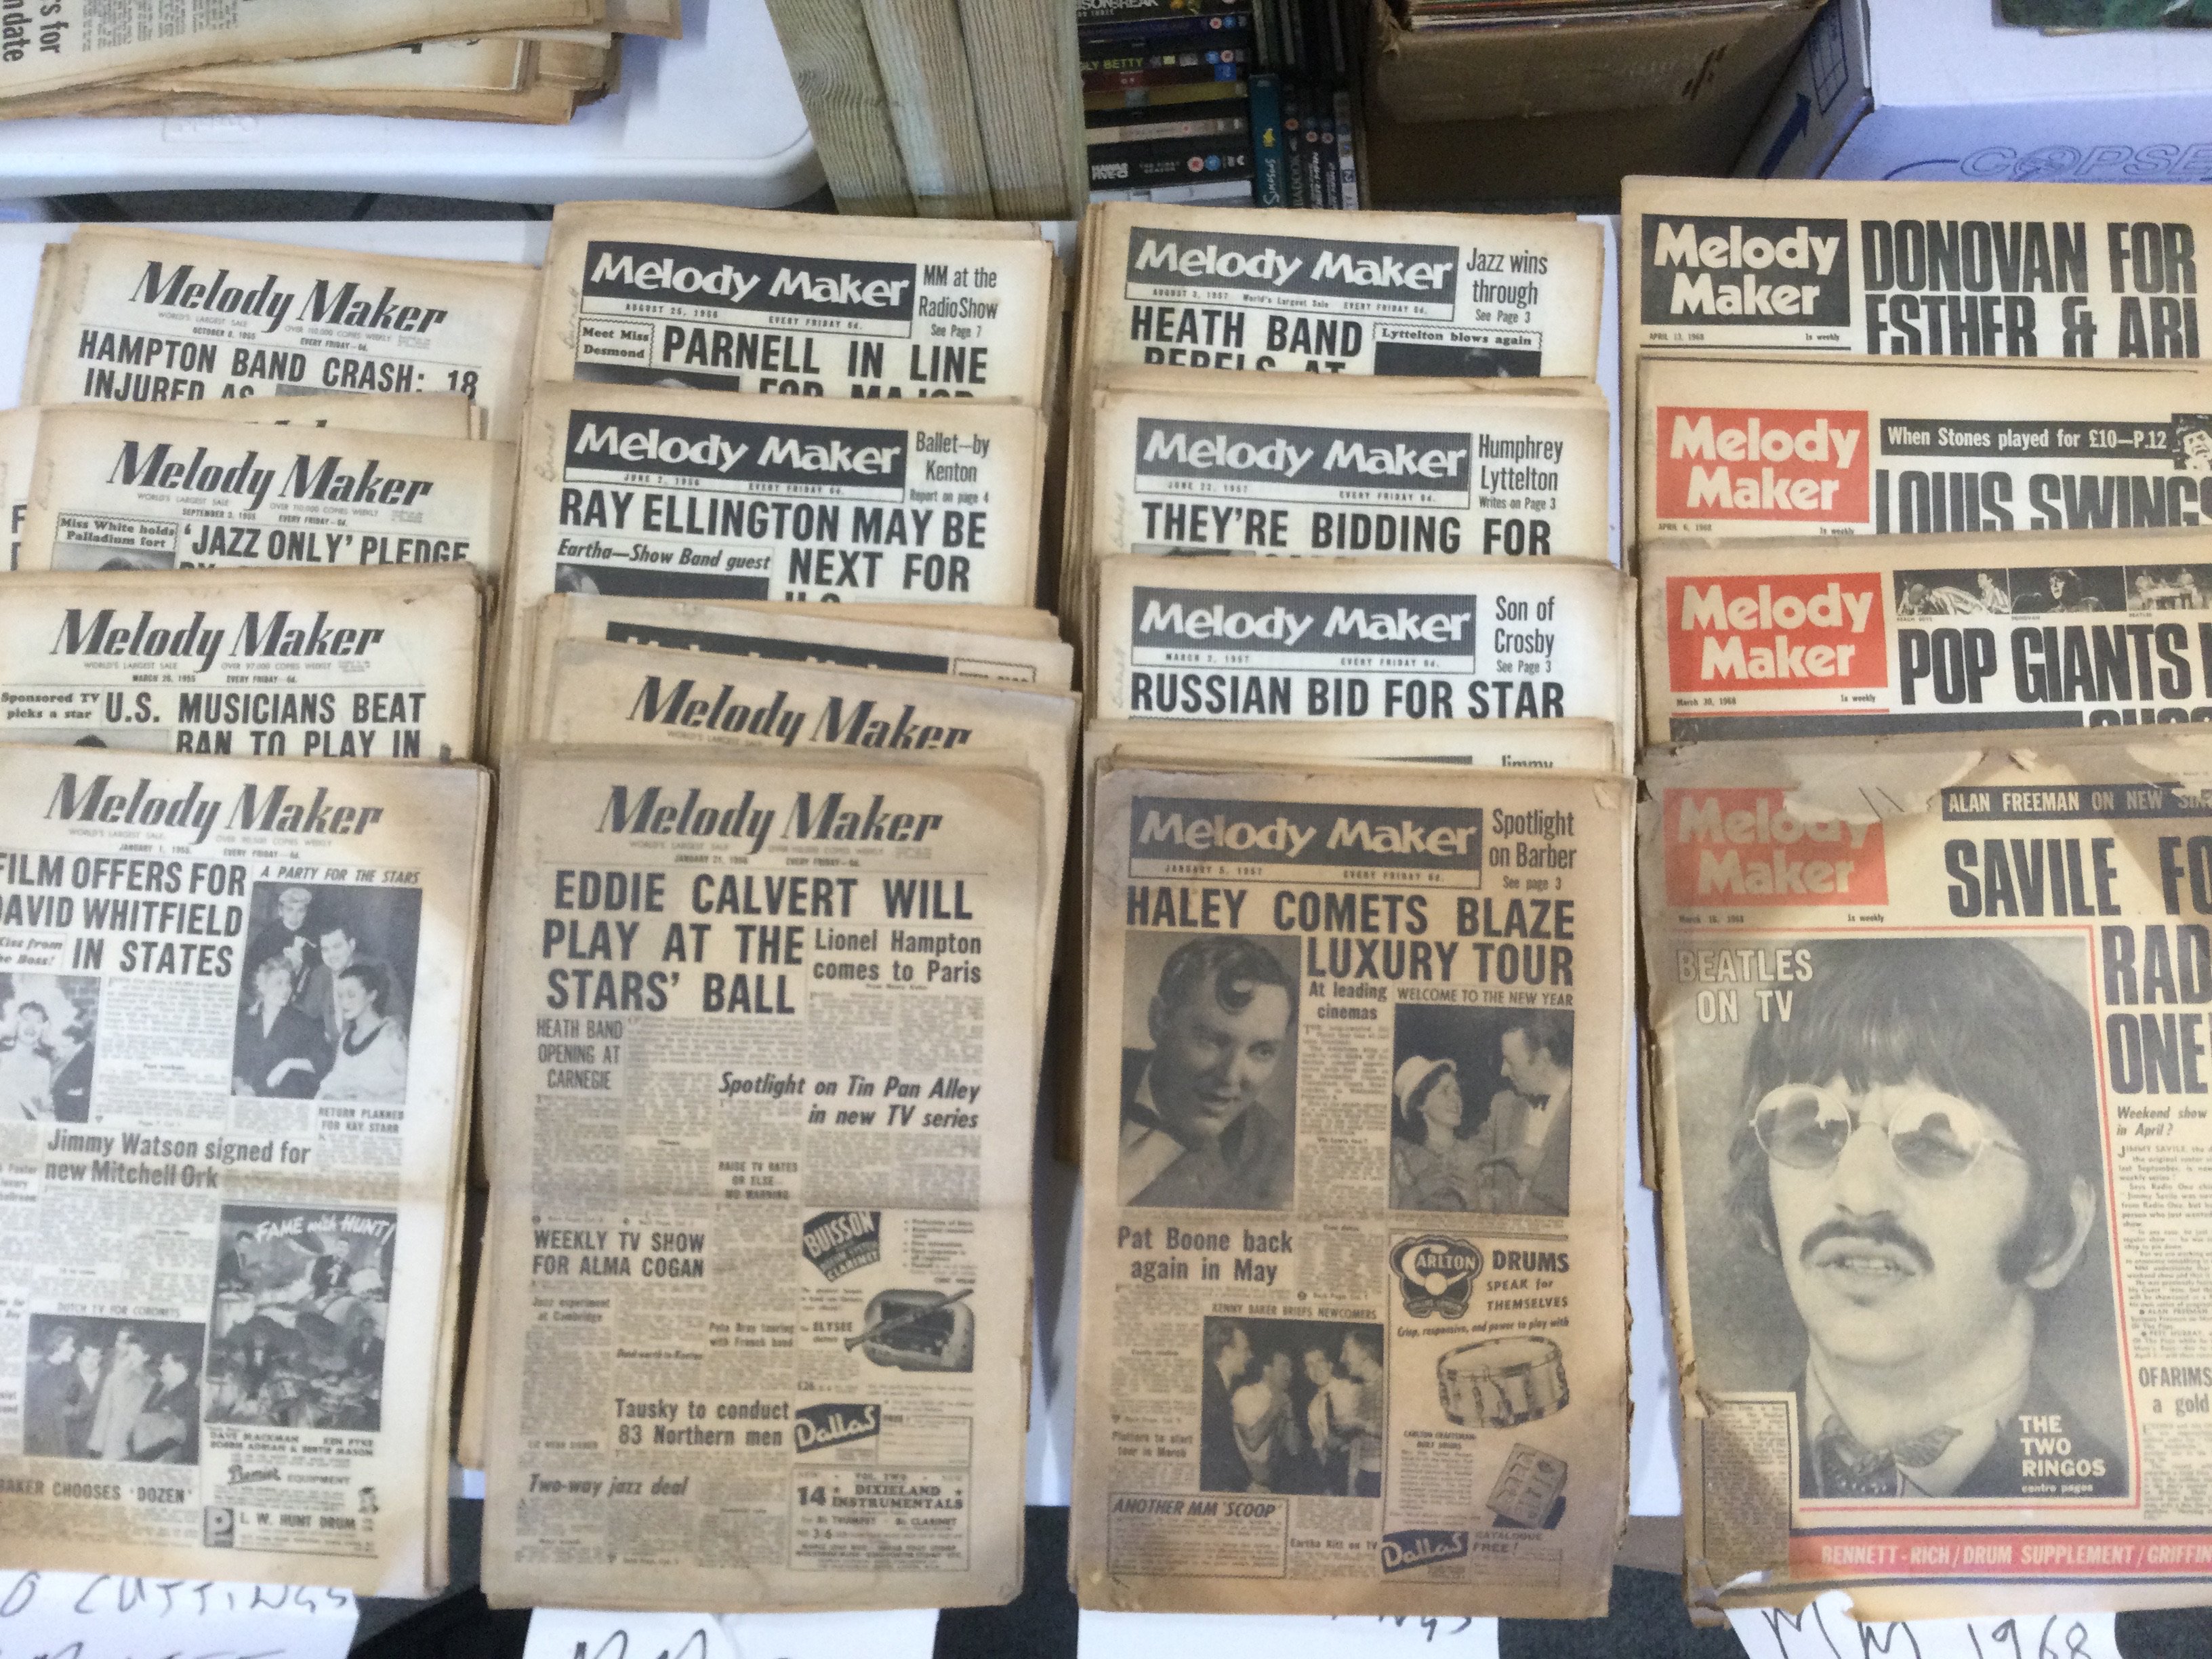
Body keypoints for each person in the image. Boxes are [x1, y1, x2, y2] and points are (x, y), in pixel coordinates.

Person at [1726, 939, 2125, 1500]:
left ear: (2055, 1236)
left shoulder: (2114, 1495)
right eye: (1813, 1132)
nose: (1860, 1196)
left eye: (1936, 1143)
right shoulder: (1707, 1471)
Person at [1119, 938, 1296, 1210]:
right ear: (1159, 1020)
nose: (1230, 1077)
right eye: (1213, 1040)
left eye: (1262, 1051)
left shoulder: (1276, 1161)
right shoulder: (1103, 1071)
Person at [1464, 1012, 1574, 1216]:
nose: (1503, 1071)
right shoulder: (1503, 1104)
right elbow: (1477, 1149)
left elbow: (1599, 1202)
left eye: (1510, 1062)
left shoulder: (1591, 1110)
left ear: (1542, 1060)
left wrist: (1541, 1170)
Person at [1389, 1055, 1481, 1210]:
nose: (1455, 1099)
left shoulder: (1477, 1155)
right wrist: (1418, 1192)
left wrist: (1473, 1200)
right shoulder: (1401, 1158)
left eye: (1457, 1092)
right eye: (1444, 1091)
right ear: (1420, 1103)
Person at [234, 955, 327, 1098]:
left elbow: (323, 1060)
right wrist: (239, 1088)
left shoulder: (302, 1022)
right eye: (279, 983)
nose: (286, 989)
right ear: (262, 986)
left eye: (288, 983)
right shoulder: (245, 1020)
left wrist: (288, 1064)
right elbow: (235, 1065)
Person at [316, 965, 409, 1103]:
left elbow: (409, 1092)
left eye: (351, 995)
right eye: (340, 996)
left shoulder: (391, 1036)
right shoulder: (345, 1039)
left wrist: (370, 1099)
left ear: (372, 995)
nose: (344, 1003)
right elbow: (333, 1081)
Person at [1231, 1350, 1303, 1492]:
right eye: (1284, 1367)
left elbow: (1294, 1449)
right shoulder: (1246, 1394)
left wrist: (1289, 1415)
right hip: (1249, 1486)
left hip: (1273, 1485)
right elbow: (1252, 1442)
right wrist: (1276, 1407)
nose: (1289, 1374)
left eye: (1291, 1369)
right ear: (1267, 1370)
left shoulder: (1284, 1400)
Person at [1200, 1323, 1254, 1492]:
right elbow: (1221, 1446)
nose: (1250, 1356)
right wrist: (1248, 1484)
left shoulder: (1218, 1386)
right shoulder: (1209, 1390)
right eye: (1245, 1350)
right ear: (1227, 1352)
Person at [87, 1327, 154, 1461]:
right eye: (130, 1353)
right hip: (114, 1439)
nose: (131, 1358)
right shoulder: (114, 1378)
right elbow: (103, 1412)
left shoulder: (152, 1382)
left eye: (135, 1354)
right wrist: (97, 1443)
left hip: (140, 1441)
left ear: (146, 1357)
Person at [1302, 1345, 1359, 1497]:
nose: (1316, 1369)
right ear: (1307, 1373)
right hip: (1335, 1471)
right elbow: (1321, 1448)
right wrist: (1328, 1483)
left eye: (1320, 1361)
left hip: (1358, 1465)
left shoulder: (1350, 1389)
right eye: (1310, 1365)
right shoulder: (1313, 1407)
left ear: (1330, 1365)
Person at [22, 1326, 86, 1458]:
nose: (73, 1350)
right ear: (58, 1345)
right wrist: (36, 1431)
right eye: (70, 1345)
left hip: (61, 1434)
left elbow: (81, 1397)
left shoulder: (70, 1371)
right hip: (39, 1438)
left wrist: (72, 1410)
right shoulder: (35, 1371)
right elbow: (26, 1407)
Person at [245, 888, 319, 1001]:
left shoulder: (312, 936)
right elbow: (249, 972)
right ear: (281, 911)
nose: (295, 916)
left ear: (306, 912)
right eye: (290, 909)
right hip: (270, 997)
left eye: (300, 910)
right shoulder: (267, 936)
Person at [127, 1349, 199, 1464]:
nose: (161, 1369)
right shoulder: (158, 1389)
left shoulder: (192, 1396)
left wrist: (140, 1458)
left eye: (165, 1364)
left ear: (180, 1367)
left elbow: (176, 1438)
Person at [1340, 1331, 1386, 1498]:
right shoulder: (1359, 1391)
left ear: (1365, 1352)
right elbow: (1357, 1440)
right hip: (1363, 1475)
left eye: (1346, 1351)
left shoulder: (1389, 1384)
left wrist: (1359, 1423)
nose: (1342, 1359)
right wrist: (1352, 1478)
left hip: (1383, 1474)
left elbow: (1397, 1435)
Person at [0, 1002, 55, 1121]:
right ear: (17, 1022)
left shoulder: (44, 1065)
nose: (31, 1026)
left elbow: (43, 1105)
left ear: (43, 1028)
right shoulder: (2, 1059)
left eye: (38, 1022)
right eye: (26, 1019)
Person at [47, 1015, 93, 1124]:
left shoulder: (89, 1056)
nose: (54, 1040)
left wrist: (78, 1092)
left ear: (70, 1039)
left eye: (57, 1036)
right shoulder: (72, 1050)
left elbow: (90, 1089)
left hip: (72, 1116)